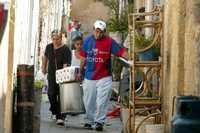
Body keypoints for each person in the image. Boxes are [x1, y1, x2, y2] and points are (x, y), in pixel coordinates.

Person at [78, 20, 127, 131]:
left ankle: (99, 121)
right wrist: (80, 72)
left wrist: (133, 59)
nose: (98, 34)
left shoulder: (109, 42)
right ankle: (88, 121)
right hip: (89, 76)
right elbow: (83, 58)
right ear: (93, 30)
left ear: (104, 32)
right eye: (97, 31)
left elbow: (121, 52)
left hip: (104, 76)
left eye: (101, 32)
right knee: (88, 101)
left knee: (102, 101)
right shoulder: (87, 42)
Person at [41, 29, 71, 125]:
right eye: (53, 39)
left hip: (62, 74)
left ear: (61, 38)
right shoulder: (49, 47)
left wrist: (64, 75)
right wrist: (43, 67)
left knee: (61, 95)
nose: (55, 41)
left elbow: (66, 64)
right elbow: (45, 57)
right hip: (51, 74)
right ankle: (54, 110)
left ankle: (60, 116)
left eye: (57, 39)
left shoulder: (66, 49)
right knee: (51, 94)